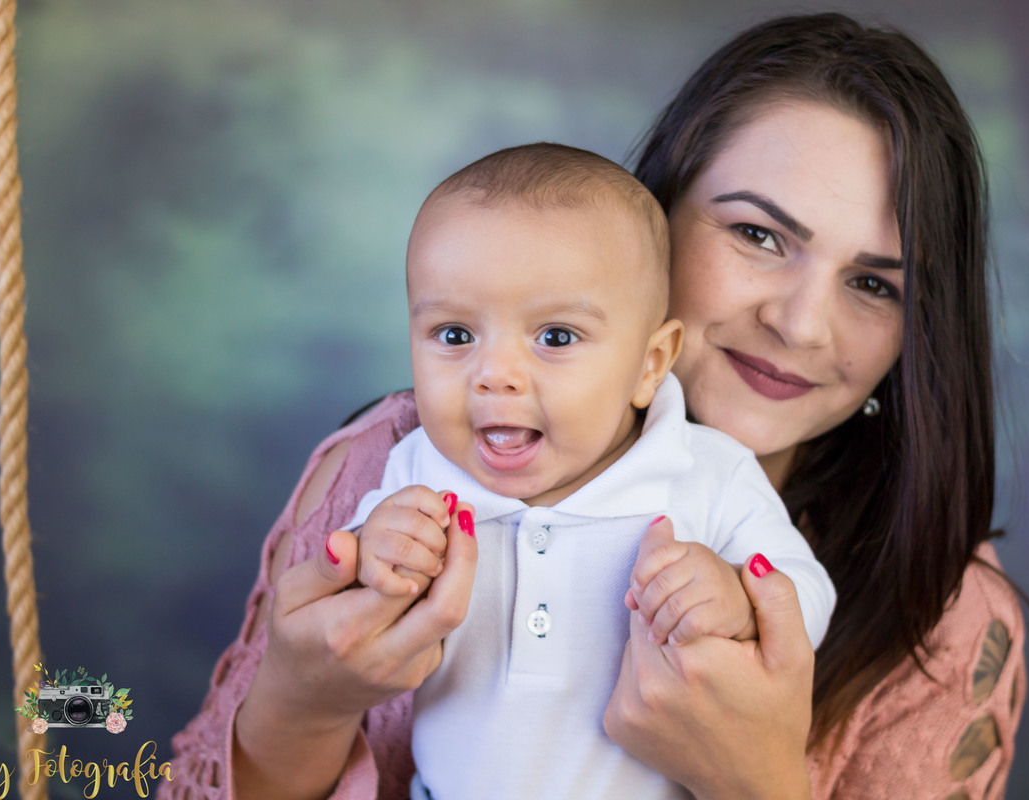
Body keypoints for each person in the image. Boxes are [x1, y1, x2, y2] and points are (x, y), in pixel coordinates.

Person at [162, 12, 1026, 800]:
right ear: (652, 220)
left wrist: (755, 780)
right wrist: (304, 703)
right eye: (758, 235)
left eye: (874, 284)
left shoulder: (944, 618)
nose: (800, 325)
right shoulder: (397, 463)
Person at [339, 142, 834, 800]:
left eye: (556, 337)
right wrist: (379, 555)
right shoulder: (418, 470)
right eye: (455, 336)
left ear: (649, 365)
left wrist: (737, 600)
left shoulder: (703, 474)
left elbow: (807, 596)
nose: (496, 376)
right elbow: (346, 607)